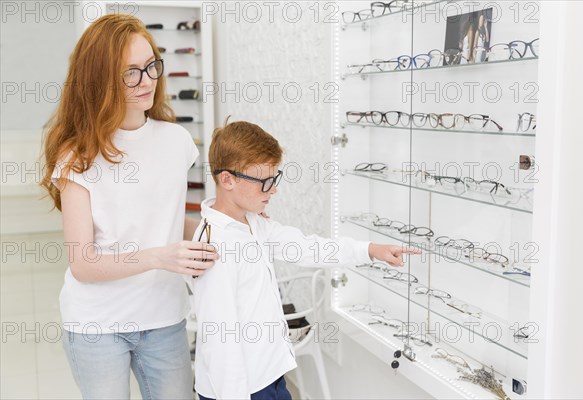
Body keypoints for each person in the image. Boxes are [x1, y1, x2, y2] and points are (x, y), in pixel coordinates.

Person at [39, 14, 217, 399]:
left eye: (151, 65)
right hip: (97, 325)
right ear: (100, 80)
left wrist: (228, 227)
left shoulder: (176, 141)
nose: (148, 80)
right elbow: (83, 263)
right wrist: (159, 257)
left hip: (165, 318)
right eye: (130, 73)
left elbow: (173, 221)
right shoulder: (78, 156)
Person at [190, 119, 422, 399]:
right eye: (264, 182)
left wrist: (369, 250)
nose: (273, 190)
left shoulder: (255, 225)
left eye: (274, 179)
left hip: (271, 373)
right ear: (227, 179)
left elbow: (307, 248)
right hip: (241, 389)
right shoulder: (213, 247)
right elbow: (220, 341)